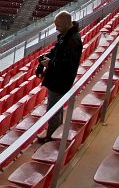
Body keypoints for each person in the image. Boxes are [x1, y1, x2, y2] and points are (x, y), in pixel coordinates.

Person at [37, 11, 83, 143]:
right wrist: (46, 57)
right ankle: (54, 133)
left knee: (53, 110)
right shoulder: (66, 35)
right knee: (57, 108)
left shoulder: (73, 40)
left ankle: (51, 138)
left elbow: (67, 64)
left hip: (60, 80)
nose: (56, 28)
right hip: (57, 78)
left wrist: (50, 63)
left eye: (58, 26)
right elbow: (56, 51)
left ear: (66, 23)